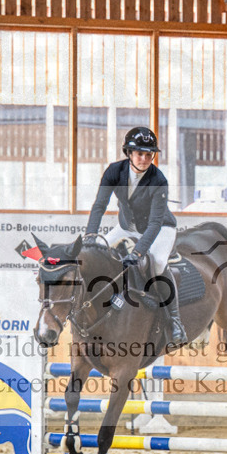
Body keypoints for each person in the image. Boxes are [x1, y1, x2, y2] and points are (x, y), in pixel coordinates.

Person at [84, 126, 187, 346]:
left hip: (160, 228)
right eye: (140, 154)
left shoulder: (158, 180)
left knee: (157, 263)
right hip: (126, 226)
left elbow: (155, 223)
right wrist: (90, 235)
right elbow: (99, 205)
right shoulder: (114, 171)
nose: (144, 158)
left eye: (149, 154)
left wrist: (138, 251)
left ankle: (175, 320)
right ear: (129, 153)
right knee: (94, 255)